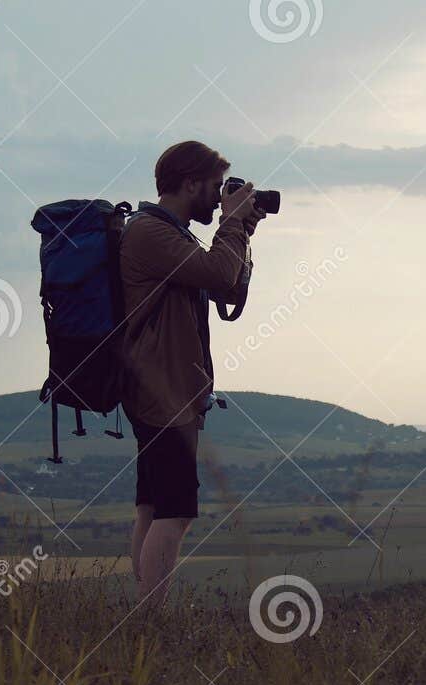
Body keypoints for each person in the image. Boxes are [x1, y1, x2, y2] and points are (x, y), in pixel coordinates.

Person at [120, 141, 264, 608]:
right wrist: (233, 222)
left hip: (164, 388)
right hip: (162, 392)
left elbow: (225, 282)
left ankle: (142, 615)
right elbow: (220, 275)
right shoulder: (151, 234)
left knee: (153, 505)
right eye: (216, 187)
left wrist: (243, 229)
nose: (220, 197)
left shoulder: (168, 233)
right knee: (177, 511)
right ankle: (148, 620)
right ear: (190, 183)